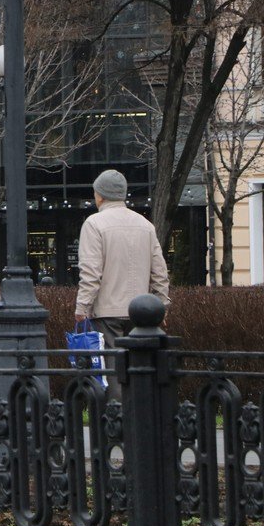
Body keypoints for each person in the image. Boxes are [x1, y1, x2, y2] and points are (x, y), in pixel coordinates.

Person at [74, 169, 170, 399]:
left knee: (113, 370)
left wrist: (82, 307)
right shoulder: (145, 225)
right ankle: (142, 417)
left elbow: (91, 272)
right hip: (142, 313)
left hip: (107, 312)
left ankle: (118, 423)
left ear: (100, 195)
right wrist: (161, 307)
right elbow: (160, 272)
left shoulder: (94, 224)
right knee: (141, 368)